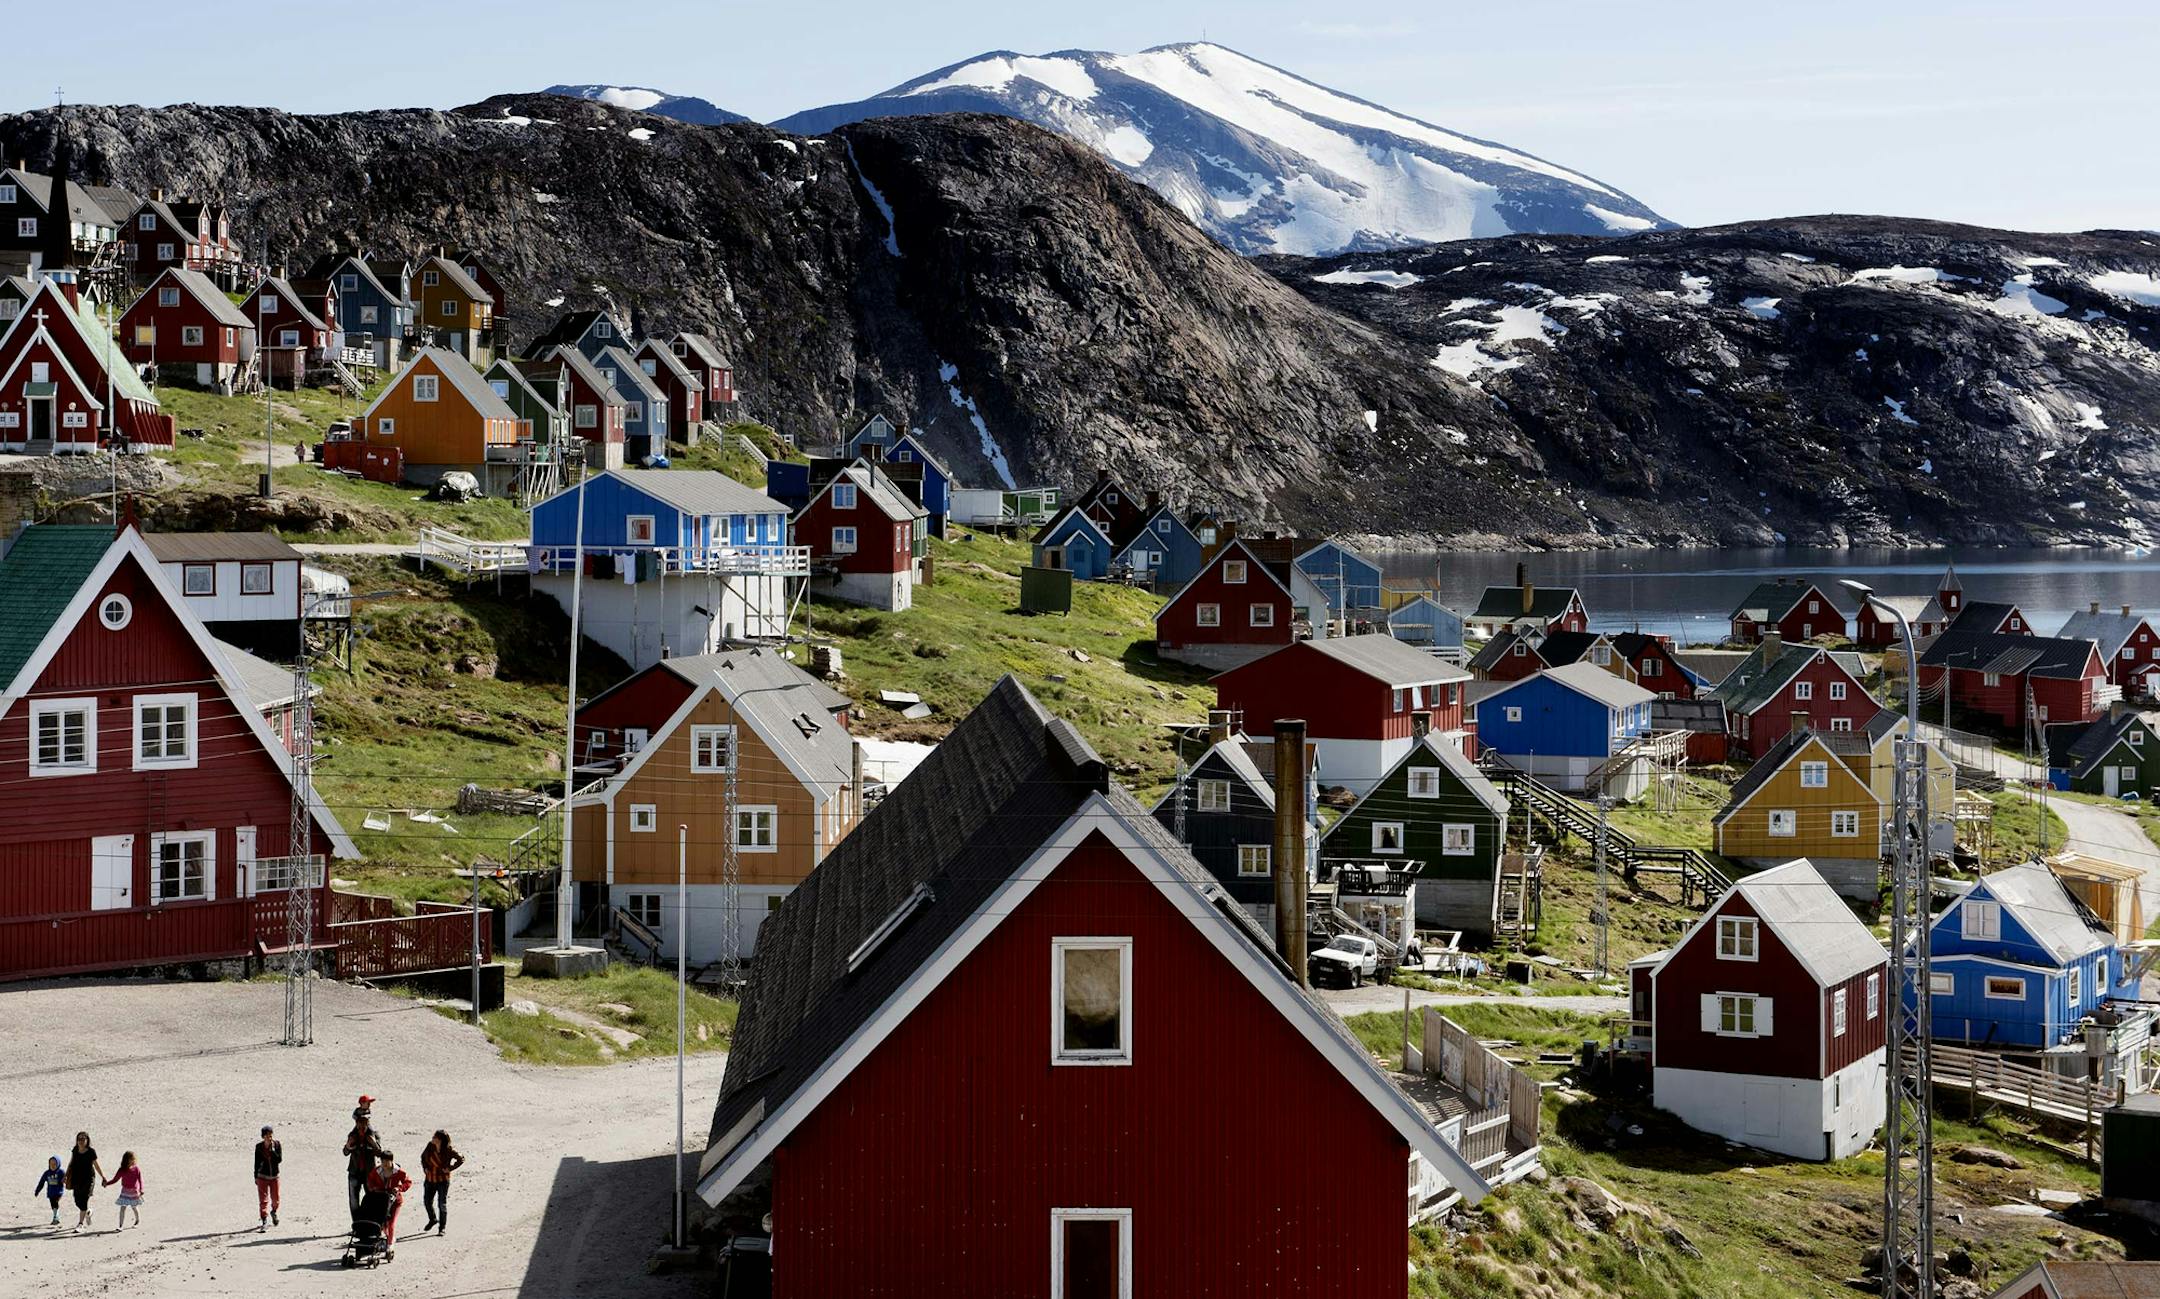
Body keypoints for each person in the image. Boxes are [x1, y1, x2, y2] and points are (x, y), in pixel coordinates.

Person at [365, 1149, 411, 1259]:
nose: (384, 1164)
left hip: (395, 1201)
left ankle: (390, 1245)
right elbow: (369, 1180)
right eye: (382, 1161)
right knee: (382, 1224)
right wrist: (373, 1188)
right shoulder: (377, 1171)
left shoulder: (399, 1171)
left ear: (391, 1161)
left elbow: (408, 1182)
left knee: (391, 1223)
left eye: (387, 1162)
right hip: (381, 1201)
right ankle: (387, 1238)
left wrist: (399, 1188)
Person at [420, 1131, 464, 1236]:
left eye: (435, 1137)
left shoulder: (448, 1150)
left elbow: (461, 1159)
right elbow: (423, 1157)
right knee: (427, 1201)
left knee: (441, 1204)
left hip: (443, 1181)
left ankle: (442, 1228)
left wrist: (450, 1168)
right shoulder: (430, 1146)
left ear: (440, 1140)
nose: (432, 1138)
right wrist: (425, 1168)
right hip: (430, 1179)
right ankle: (433, 1219)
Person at [342, 1107, 380, 1218]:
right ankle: (356, 1225)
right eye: (360, 1122)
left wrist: (374, 1144)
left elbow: (379, 1153)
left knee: (372, 1199)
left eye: (365, 1121)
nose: (362, 1125)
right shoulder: (352, 1135)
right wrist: (348, 1146)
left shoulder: (373, 1135)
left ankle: (371, 1224)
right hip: (355, 1172)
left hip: (370, 1174)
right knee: (354, 1201)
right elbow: (345, 1152)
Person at [64, 1133, 103, 1232]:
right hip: (77, 1179)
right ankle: (88, 1212)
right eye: (79, 1139)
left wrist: (103, 1177)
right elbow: (71, 1163)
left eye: (83, 1139)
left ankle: (80, 1224)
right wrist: (66, 1175)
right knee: (77, 1200)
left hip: (89, 1179)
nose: (81, 1141)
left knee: (84, 1199)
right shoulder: (75, 1150)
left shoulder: (91, 1152)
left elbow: (96, 1166)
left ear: (87, 1140)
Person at [103, 1152, 143, 1231]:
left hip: (134, 1191)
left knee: (134, 1207)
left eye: (133, 1159)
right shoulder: (122, 1170)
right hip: (125, 1191)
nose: (133, 1161)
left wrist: (141, 1189)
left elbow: (140, 1179)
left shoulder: (136, 1169)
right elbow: (115, 1180)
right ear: (126, 1160)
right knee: (122, 1208)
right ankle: (120, 1226)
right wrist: (107, 1183)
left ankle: (137, 1221)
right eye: (131, 1159)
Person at [253, 1126, 283, 1230]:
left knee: (276, 1199)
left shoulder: (277, 1144)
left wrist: (273, 1151)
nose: (269, 1138)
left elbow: (279, 1160)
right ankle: (264, 1220)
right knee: (263, 1200)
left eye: (270, 1135)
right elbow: (256, 1162)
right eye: (267, 1136)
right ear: (263, 1136)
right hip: (262, 1176)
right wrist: (255, 1176)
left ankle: (274, 1212)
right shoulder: (259, 1147)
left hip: (274, 1176)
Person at [33, 1156, 64, 1225]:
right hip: (50, 1193)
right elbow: (41, 1182)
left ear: (58, 1164)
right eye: (51, 1164)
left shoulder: (61, 1172)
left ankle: (56, 1217)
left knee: (55, 1202)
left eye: (55, 1164)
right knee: (53, 1204)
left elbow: (67, 1180)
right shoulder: (47, 1173)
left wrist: (65, 1181)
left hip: (59, 1192)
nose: (53, 1166)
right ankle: (56, 1216)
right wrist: (37, 1191)